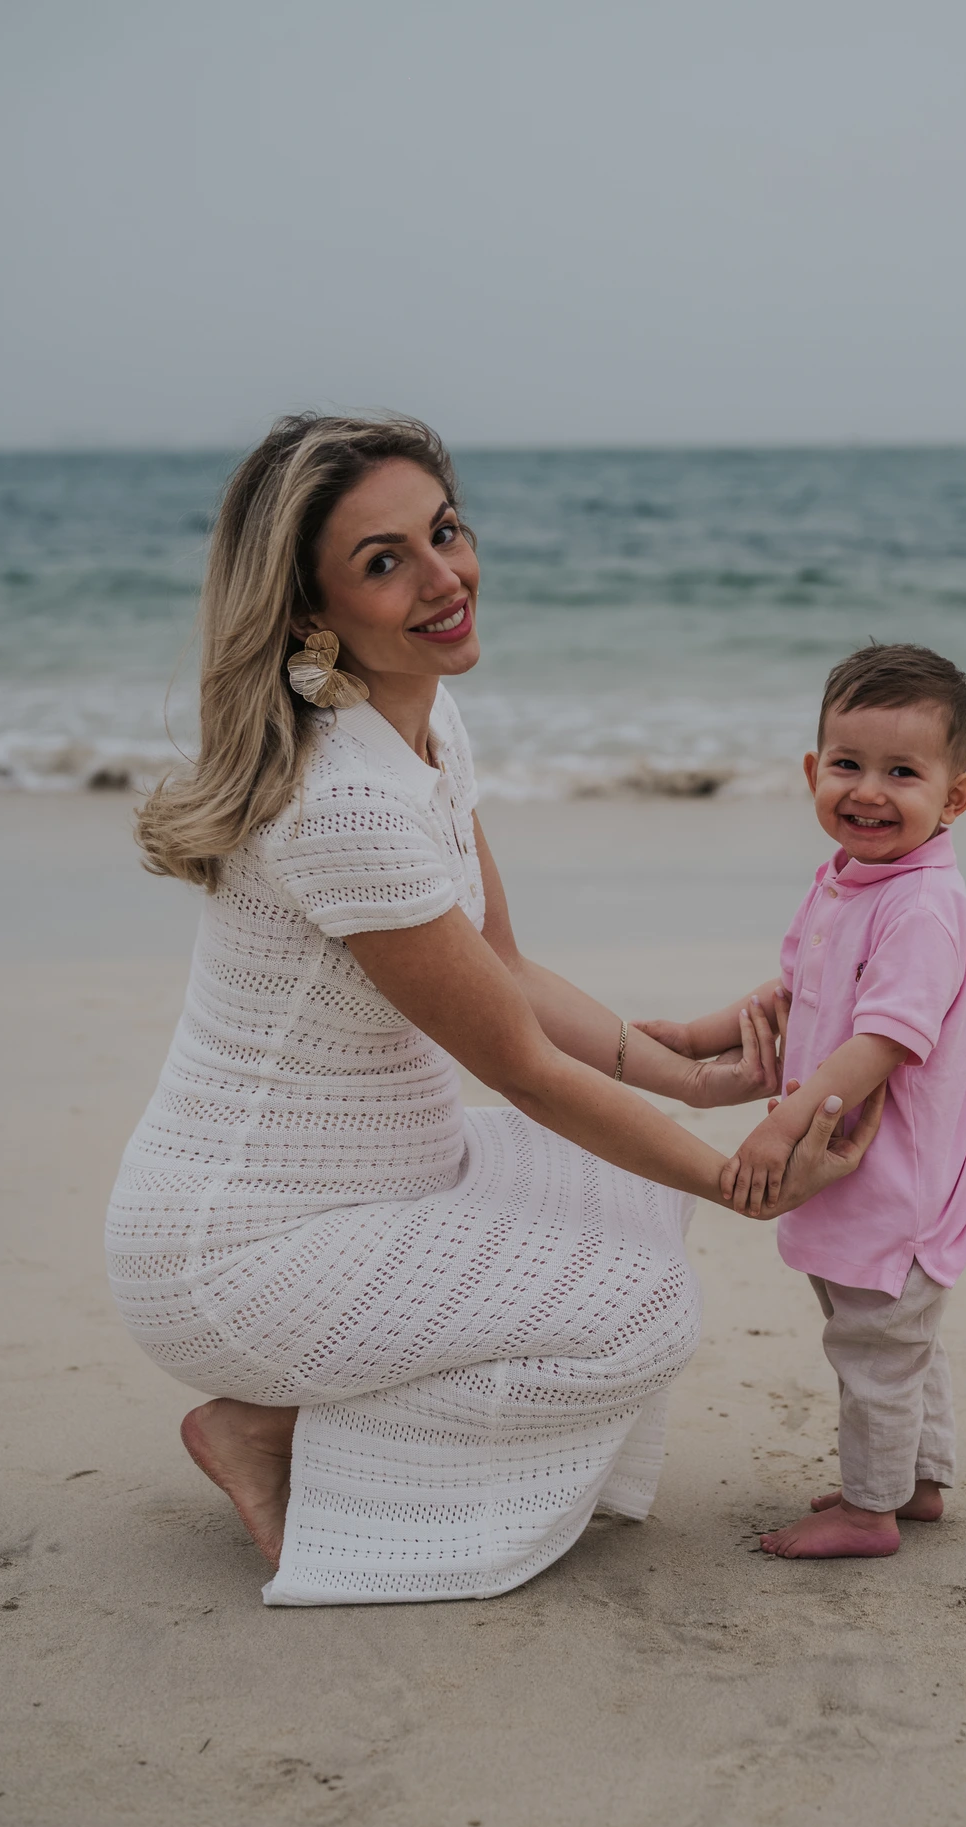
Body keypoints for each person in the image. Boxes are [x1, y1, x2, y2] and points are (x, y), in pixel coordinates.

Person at [105, 413, 883, 1606]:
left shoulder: (421, 721)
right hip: (241, 1253)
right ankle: (272, 1431)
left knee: (631, 1193)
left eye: (445, 532)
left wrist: (684, 1073)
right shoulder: (341, 802)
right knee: (645, 1313)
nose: (443, 579)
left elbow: (502, 965)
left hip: (394, 1184)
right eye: (384, 562)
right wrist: (742, 1184)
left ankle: (282, 1423)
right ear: (312, 615)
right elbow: (518, 1066)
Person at [636, 645, 966, 1559]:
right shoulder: (848, 879)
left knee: (874, 1348)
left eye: (902, 773)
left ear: (954, 797)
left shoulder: (920, 906)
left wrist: (781, 1123)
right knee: (895, 1336)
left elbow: (881, 1042)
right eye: (847, 765)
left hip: (904, 1182)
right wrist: (697, 1034)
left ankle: (869, 1512)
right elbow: (792, 989)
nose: (868, 791)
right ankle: (916, 1482)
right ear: (812, 771)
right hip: (871, 1178)